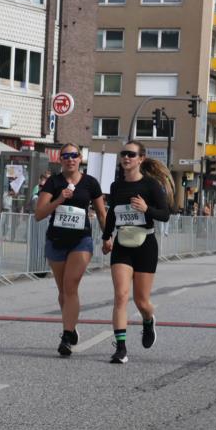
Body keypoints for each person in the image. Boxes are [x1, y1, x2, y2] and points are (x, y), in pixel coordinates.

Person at [101, 141, 172, 364]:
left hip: (145, 245)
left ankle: (148, 320)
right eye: (124, 154)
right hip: (123, 244)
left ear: (141, 158)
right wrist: (106, 236)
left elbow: (165, 214)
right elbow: (113, 213)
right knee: (121, 296)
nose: (126, 157)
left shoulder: (151, 186)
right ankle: (120, 348)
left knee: (142, 301)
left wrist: (146, 209)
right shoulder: (116, 186)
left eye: (131, 154)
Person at [35, 143, 106, 356]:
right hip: (56, 241)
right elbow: (39, 214)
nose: (70, 159)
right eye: (65, 156)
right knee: (63, 292)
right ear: (60, 159)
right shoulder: (53, 182)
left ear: (80, 158)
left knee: (71, 285)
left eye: (74, 155)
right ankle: (71, 326)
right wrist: (59, 199)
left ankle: (66, 337)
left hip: (81, 240)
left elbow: (102, 213)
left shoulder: (90, 183)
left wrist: (108, 236)